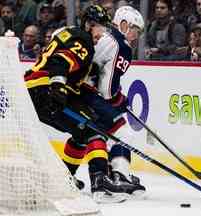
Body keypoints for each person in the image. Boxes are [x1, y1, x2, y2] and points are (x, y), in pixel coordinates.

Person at [24, 4, 127, 200]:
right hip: (45, 90)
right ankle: (100, 182)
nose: (103, 34)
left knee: (81, 133)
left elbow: (65, 68)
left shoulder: (72, 35)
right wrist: (58, 87)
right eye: (101, 28)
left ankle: (66, 180)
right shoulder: (83, 40)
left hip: (37, 90)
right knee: (94, 128)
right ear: (90, 24)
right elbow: (60, 63)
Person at [76, 5, 146, 199]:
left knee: (90, 135)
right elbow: (107, 89)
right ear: (123, 25)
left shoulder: (104, 37)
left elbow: (102, 74)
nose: (136, 35)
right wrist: (118, 99)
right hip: (89, 93)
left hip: (78, 90)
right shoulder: (121, 44)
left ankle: (82, 174)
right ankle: (119, 176)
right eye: (134, 30)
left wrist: (115, 95)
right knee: (122, 131)